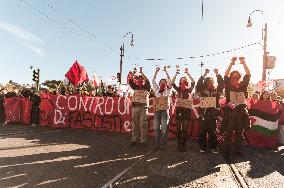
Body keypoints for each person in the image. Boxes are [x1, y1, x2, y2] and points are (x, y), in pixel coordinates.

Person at [222, 57, 251, 159]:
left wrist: (243, 63)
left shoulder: (243, 85)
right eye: (233, 76)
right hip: (230, 112)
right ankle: (226, 151)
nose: (235, 77)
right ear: (230, 77)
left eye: (237, 76)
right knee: (229, 132)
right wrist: (231, 63)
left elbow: (248, 74)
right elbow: (225, 74)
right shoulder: (228, 86)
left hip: (241, 113)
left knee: (240, 133)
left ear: (239, 77)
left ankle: (239, 150)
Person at [196, 68, 224, 153]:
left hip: (213, 115)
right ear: (205, 82)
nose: (210, 82)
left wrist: (217, 74)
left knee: (213, 132)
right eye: (208, 81)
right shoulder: (201, 91)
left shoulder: (216, 92)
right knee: (202, 132)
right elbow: (198, 84)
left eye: (212, 81)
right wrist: (204, 74)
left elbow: (221, 84)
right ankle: (203, 147)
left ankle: (213, 147)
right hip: (203, 114)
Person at [171, 67, 195, 152]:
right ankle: (179, 145)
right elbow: (172, 83)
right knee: (178, 129)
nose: (183, 80)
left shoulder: (189, 89)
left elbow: (193, 82)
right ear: (180, 81)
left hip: (187, 111)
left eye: (185, 79)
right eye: (182, 79)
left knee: (184, 129)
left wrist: (187, 73)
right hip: (179, 110)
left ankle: (184, 144)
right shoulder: (178, 89)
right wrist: (176, 74)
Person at [128, 67, 151, 147]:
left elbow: (148, 81)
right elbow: (130, 81)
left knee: (143, 125)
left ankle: (143, 141)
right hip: (135, 107)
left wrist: (142, 72)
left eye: (142, 79)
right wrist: (134, 72)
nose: (141, 80)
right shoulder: (135, 87)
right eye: (139, 79)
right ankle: (134, 139)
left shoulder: (147, 87)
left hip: (143, 108)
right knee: (134, 124)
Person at [152, 66, 172, 150]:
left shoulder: (168, 90)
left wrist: (166, 72)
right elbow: (153, 81)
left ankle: (162, 143)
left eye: (164, 82)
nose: (162, 83)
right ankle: (157, 144)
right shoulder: (156, 90)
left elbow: (170, 82)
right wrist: (156, 72)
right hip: (157, 111)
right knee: (156, 128)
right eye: (161, 82)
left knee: (163, 128)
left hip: (164, 111)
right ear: (159, 83)